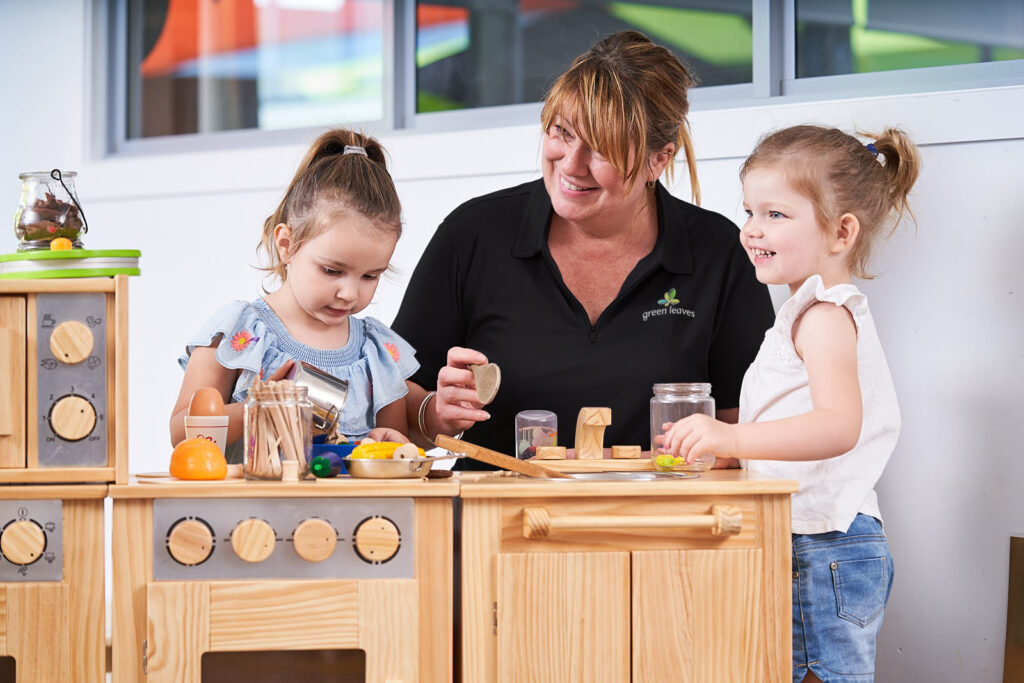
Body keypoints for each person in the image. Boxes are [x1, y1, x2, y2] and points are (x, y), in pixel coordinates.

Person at [392, 31, 775, 464]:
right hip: (498, 519)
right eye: (563, 132)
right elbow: (395, 399)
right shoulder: (474, 234)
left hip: (662, 519)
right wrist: (434, 415)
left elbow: (748, 432)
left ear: (659, 159)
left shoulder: (718, 253)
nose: (571, 165)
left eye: (602, 149)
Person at [656, 124, 921, 683]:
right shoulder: (804, 314)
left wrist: (730, 437)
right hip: (810, 543)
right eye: (750, 212)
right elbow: (792, 424)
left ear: (841, 232)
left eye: (775, 215)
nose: (752, 230)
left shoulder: (825, 316)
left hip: (823, 548)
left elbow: (836, 425)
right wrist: (739, 458)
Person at [170, 129, 416, 459]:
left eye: (371, 276)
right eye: (332, 271)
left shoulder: (375, 351)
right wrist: (259, 408)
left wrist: (389, 442)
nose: (349, 293)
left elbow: (393, 442)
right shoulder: (242, 331)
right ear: (287, 245)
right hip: (254, 510)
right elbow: (181, 432)